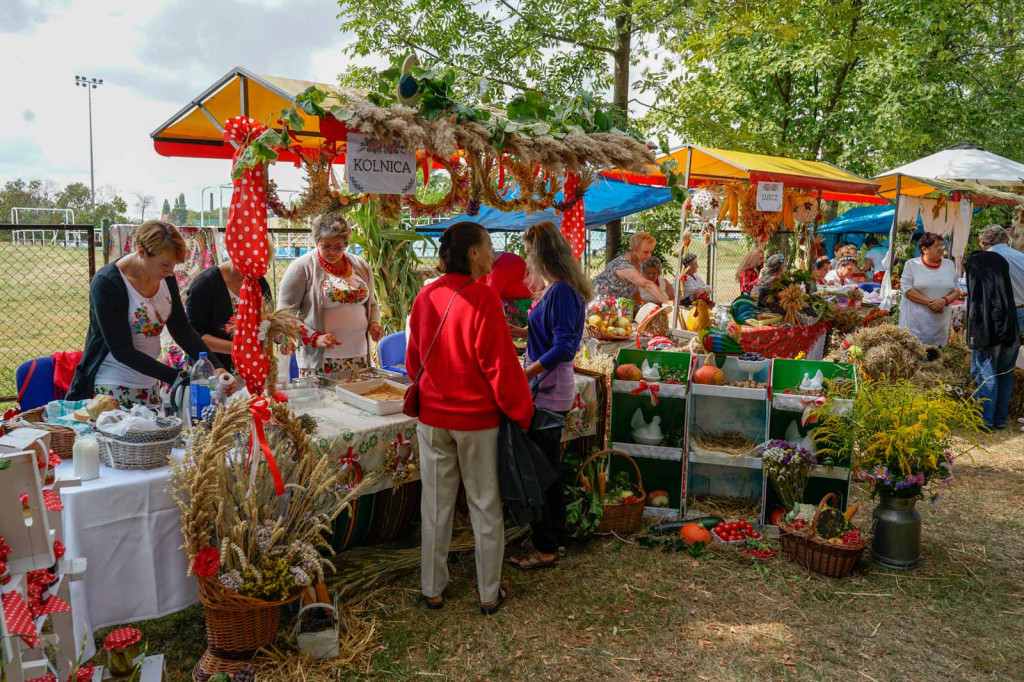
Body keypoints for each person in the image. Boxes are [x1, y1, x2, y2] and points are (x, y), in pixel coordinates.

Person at [407, 222, 534, 615]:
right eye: (489, 245)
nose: (494, 253)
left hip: (432, 417)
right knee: (484, 505)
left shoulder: (425, 295)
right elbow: (501, 367)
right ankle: (488, 593)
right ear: (473, 253)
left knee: (436, 504)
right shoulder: (484, 299)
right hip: (476, 421)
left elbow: (413, 360)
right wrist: (522, 411)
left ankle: (432, 587)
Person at [68, 220, 226, 407]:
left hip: (149, 382)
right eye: (166, 264)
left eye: (173, 265)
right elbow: (122, 350)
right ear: (141, 251)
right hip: (112, 386)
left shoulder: (165, 277)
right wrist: (179, 377)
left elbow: (182, 330)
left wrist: (215, 365)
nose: (170, 272)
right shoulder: (107, 283)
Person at [505, 222, 589, 571]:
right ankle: (553, 538)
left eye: (529, 251)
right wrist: (518, 330)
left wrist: (525, 373)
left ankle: (546, 548)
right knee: (548, 469)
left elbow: (564, 347)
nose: (527, 258)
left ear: (542, 254)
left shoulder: (561, 292)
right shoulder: (559, 289)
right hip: (550, 387)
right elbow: (545, 333)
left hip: (549, 391)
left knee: (538, 471)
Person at [277, 213, 383, 378]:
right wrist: (314, 339)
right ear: (317, 241)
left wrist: (374, 323)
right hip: (321, 360)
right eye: (326, 245)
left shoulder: (361, 266)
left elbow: (372, 305)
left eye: (338, 247)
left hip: (359, 356)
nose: (332, 252)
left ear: (346, 245)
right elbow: (283, 314)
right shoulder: (301, 268)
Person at [964, 236, 1020, 431]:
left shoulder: (977, 265)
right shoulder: (1008, 265)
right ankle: (999, 419)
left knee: (985, 371)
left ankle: (984, 421)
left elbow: (971, 300)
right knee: (1005, 372)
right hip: (1012, 321)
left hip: (987, 326)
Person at [185, 261, 272, 373]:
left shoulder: (258, 281)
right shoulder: (205, 283)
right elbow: (194, 336)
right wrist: (241, 349)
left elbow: (268, 321)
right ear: (236, 256)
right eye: (252, 266)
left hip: (251, 368)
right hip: (215, 369)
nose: (257, 273)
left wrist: (281, 337)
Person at [898, 232, 963, 346]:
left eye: (942, 245)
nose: (941, 249)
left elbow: (956, 290)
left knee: (937, 354)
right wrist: (931, 303)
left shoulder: (949, 264)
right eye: (936, 246)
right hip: (916, 320)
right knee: (914, 352)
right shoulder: (912, 264)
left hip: (939, 321)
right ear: (924, 249)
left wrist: (943, 301)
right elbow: (907, 290)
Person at [590, 232, 670, 304]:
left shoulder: (639, 263)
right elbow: (647, 284)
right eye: (645, 252)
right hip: (598, 303)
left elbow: (635, 289)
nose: (649, 255)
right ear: (634, 250)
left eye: (651, 251)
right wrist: (667, 302)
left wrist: (640, 306)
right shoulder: (624, 265)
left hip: (612, 306)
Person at [977, 225, 1024, 332]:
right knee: (1012, 347)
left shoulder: (979, 261)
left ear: (983, 244)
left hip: (991, 314)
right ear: (1007, 239)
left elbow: (963, 291)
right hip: (1019, 312)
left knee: (987, 348)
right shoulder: (1021, 257)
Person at [480, 251, 540, 327]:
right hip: (517, 302)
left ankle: (514, 334)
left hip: (525, 304)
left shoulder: (503, 265)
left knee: (496, 307)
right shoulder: (489, 264)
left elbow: (490, 296)